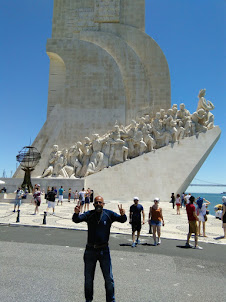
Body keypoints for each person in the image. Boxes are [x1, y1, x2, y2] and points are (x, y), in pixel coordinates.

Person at [72, 196, 127, 302]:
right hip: (90, 250)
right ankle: (88, 300)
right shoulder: (89, 214)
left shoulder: (108, 214)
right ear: (94, 204)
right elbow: (76, 220)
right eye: (96, 202)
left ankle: (110, 300)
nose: (98, 204)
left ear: (103, 204)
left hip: (104, 250)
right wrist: (76, 213)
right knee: (88, 278)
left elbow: (122, 220)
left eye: (100, 202)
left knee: (108, 278)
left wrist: (123, 214)